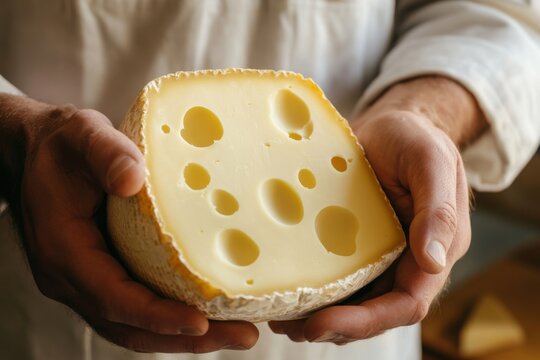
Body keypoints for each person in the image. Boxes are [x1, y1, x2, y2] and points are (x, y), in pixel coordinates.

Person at [1, 0, 539, 359]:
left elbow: (498, 12)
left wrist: (426, 112)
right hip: (50, 297)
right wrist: (14, 137)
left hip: (354, 308)